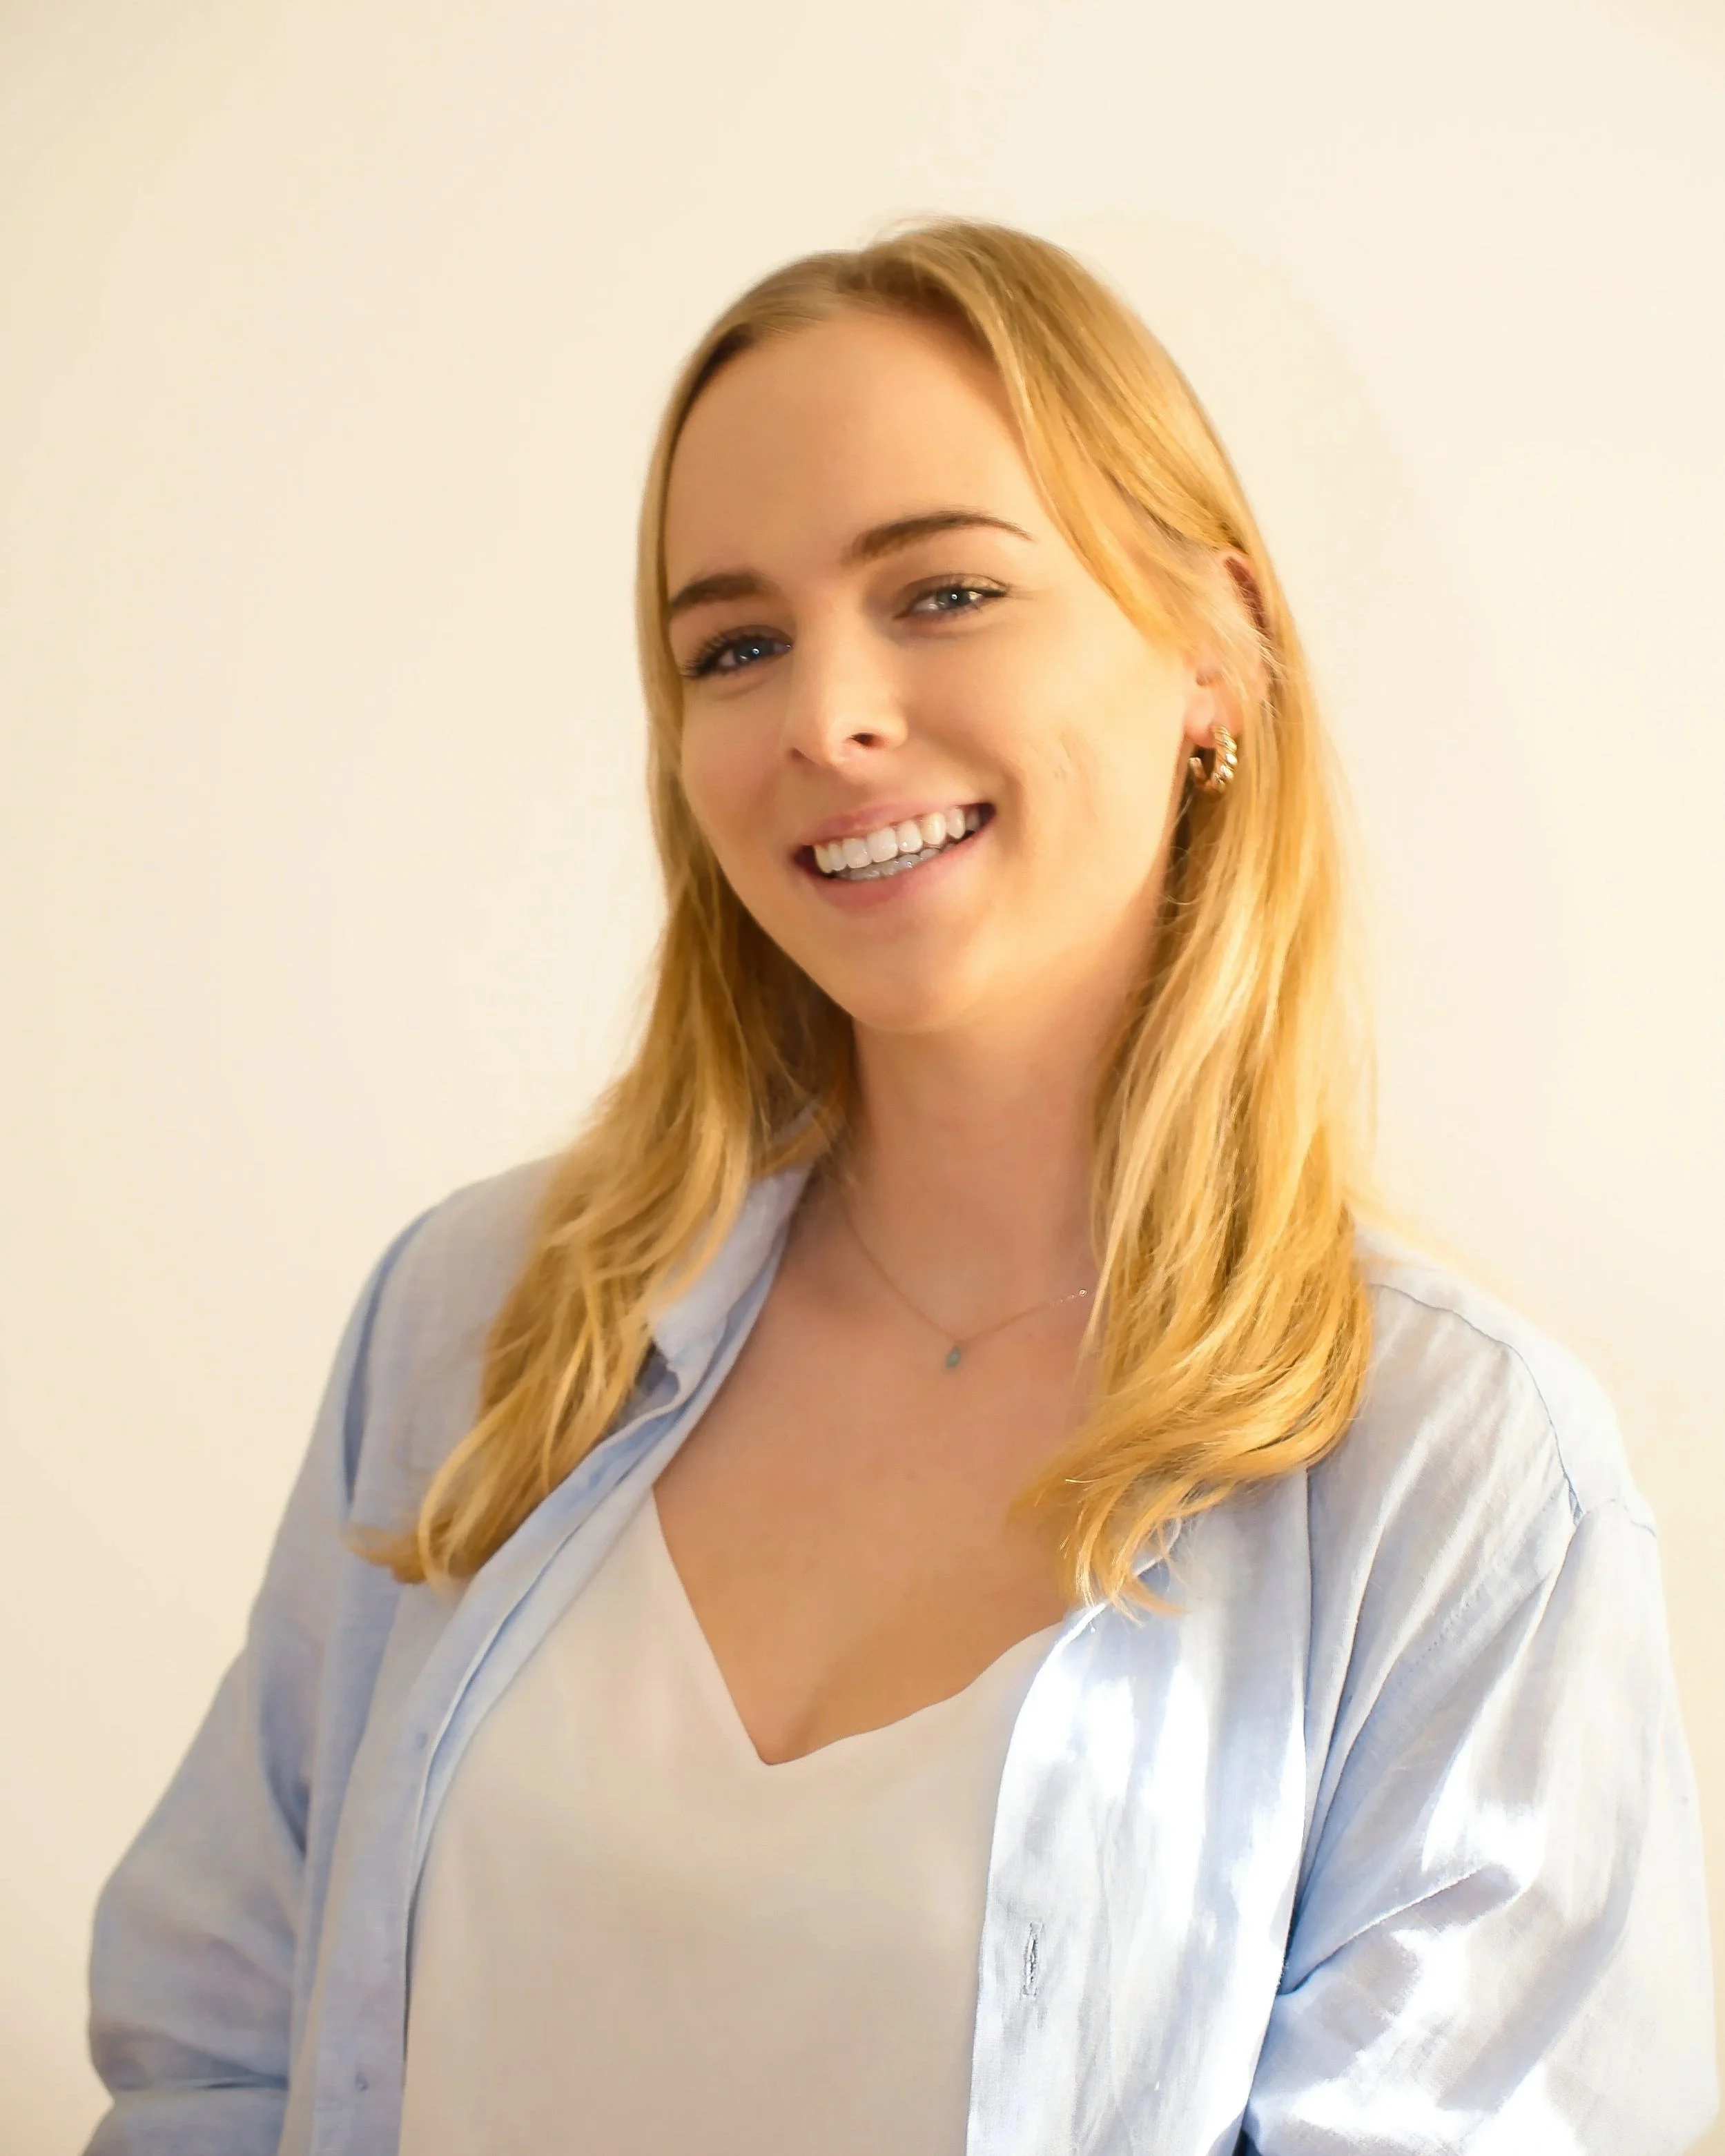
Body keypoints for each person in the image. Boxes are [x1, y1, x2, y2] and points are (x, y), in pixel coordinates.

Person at [84, 220, 1715, 2156]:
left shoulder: (1457, 1485)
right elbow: (213, 2063)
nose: (826, 716)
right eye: (736, 645)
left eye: (942, 591)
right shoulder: (478, 1320)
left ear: (1214, 648)